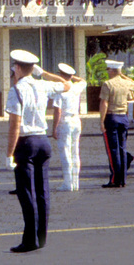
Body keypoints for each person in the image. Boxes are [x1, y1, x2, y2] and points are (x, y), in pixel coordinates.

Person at [5, 49, 70, 253]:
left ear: (17, 67)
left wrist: (9, 153)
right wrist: (43, 73)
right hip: (43, 140)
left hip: (26, 142)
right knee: (42, 192)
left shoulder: (16, 90)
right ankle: (41, 237)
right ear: (32, 68)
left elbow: (14, 125)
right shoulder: (43, 85)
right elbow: (67, 84)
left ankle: (30, 239)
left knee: (27, 193)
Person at [99, 58, 134, 188]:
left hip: (111, 117)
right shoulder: (126, 84)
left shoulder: (107, 84)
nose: (108, 72)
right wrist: (122, 75)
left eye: (108, 69)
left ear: (112, 70)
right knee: (122, 148)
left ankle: (115, 179)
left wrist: (101, 121)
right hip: (123, 118)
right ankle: (123, 179)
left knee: (113, 150)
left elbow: (104, 103)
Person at [51, 63, 86, 191]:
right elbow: (83, 81)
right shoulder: (76, 87)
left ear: (61, 75)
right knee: (75, 152)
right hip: (76, 120)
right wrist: (72, 77)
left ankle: (67, 183)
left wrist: (54, 128)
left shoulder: (61, 90)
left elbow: (57, 111)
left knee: (65, 152)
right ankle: (76, 183)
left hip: (65, 121)